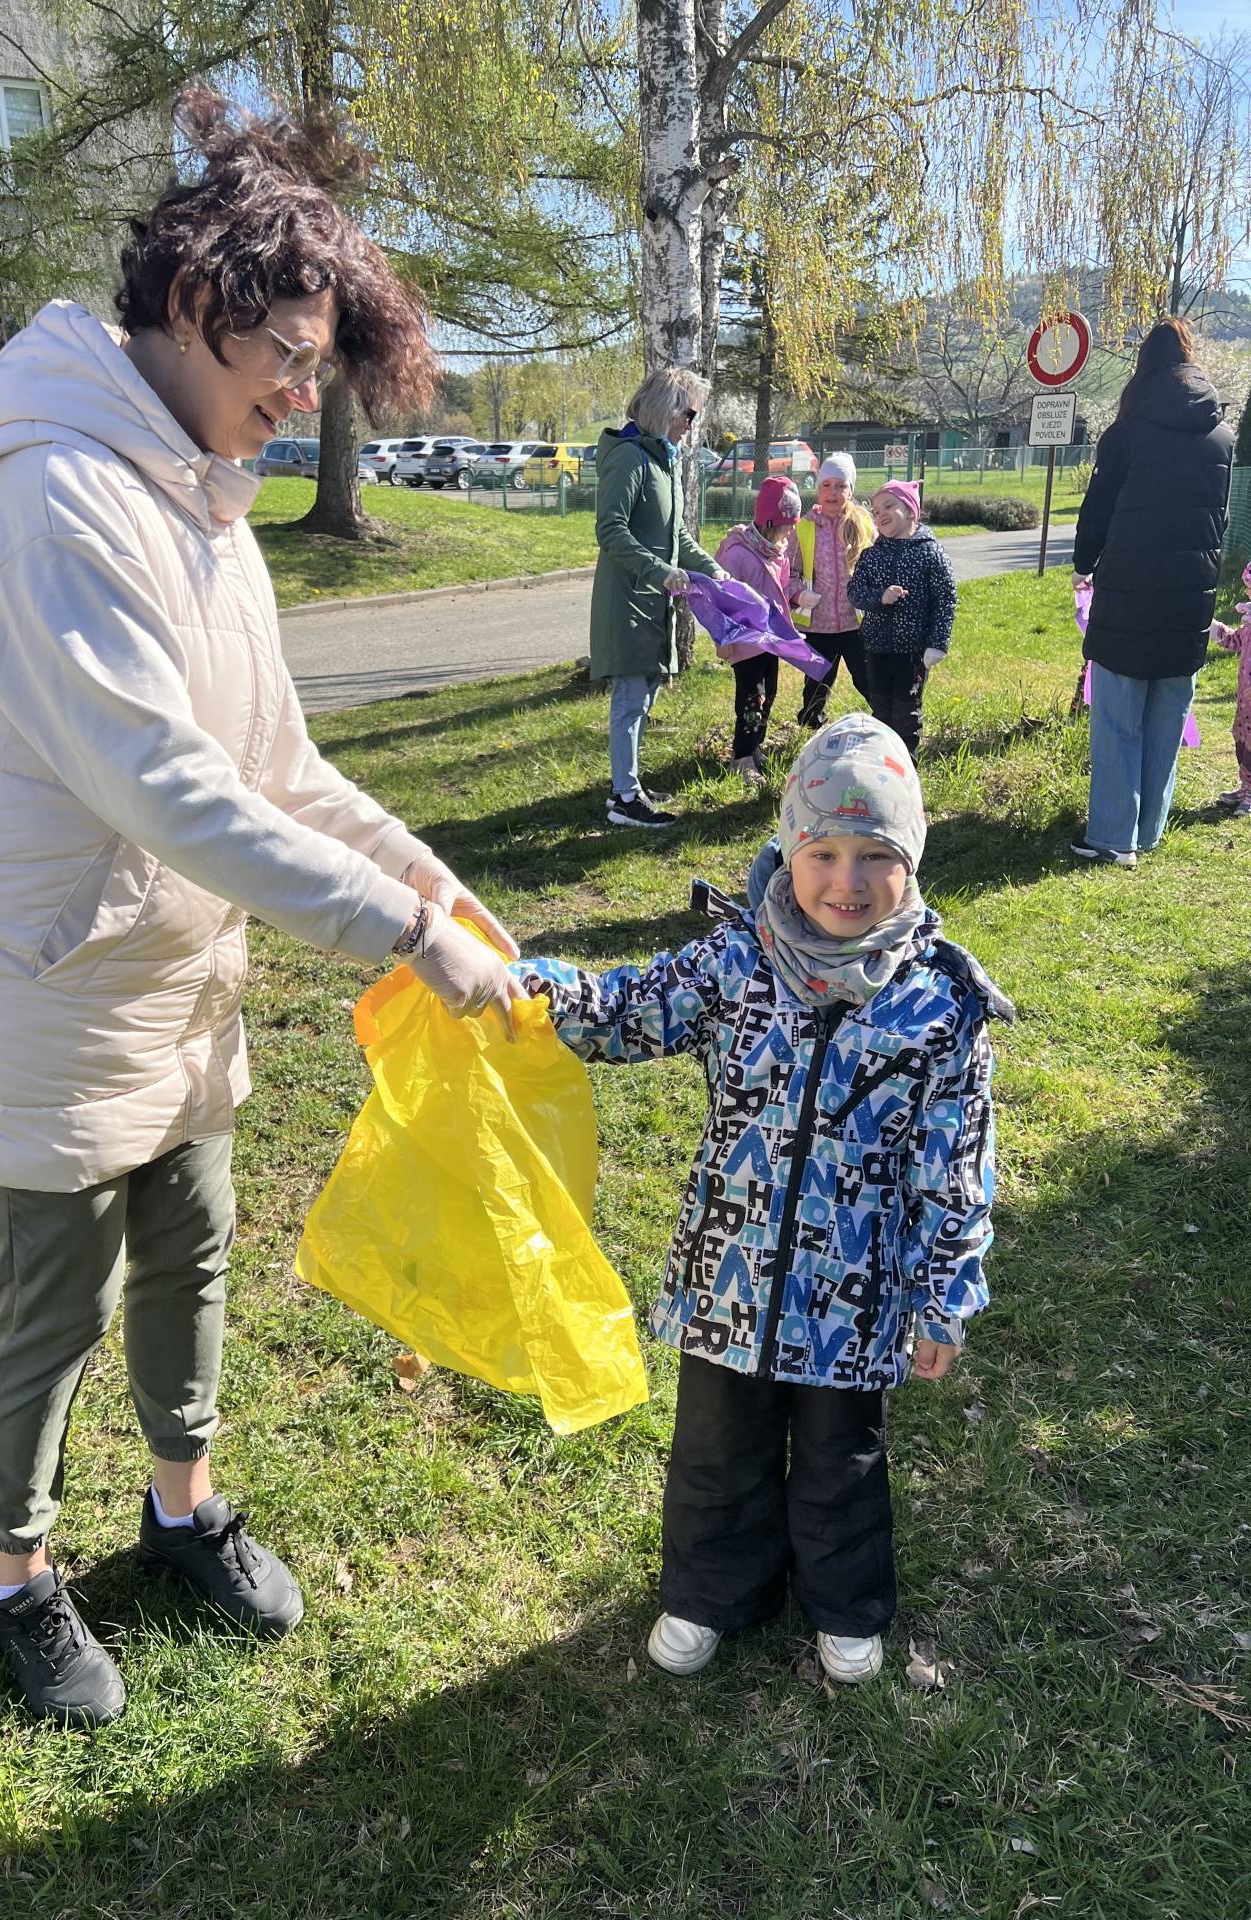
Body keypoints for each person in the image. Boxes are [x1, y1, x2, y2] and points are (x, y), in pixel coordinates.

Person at [0, 90, 525, 1730]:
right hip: (35, 983)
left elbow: (274, 764)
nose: (300, 397)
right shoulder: (48, 494)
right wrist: (402, 937)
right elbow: (164, 784)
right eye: (285, 360)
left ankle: (183, 1510)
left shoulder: (202, 501)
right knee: (54, 1301)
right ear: (186, 307)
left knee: (193, 1249)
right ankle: (17, 1577)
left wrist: (428, 877)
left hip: (165, 977)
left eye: (317, 368)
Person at [514, 716, 1010, 1681]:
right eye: (823, 852)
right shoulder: (733, 963)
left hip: (855, 1293)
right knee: (715, 1448)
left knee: (841, 1458)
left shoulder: (940, 1004)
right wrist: (529, 991)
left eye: (876, 855)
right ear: (788, 849)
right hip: (729, 1274)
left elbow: (956, 1160)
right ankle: (710, 1592)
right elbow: (625, 1009)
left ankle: (845, 1604)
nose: (846, 881)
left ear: (911, 860)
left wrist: (943, 1295)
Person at [1071, 318, 1235, 867]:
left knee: (1118, 717)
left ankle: (1113, 836)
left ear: (1143, 366)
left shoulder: (1126, 433)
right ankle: (1148, 830)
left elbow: (1098, 508)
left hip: (1130, 591)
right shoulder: (1221, 438)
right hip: (1191, 595)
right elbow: (1220, 520)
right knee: (1168, 716)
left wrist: (1083, 565)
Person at [591, 369, 725, 828]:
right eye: (689, 413)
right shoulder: (629, 458)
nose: (691, 424)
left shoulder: (665, 460)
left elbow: (676, 534)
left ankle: (628, 783)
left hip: (654, 600)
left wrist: (711, 568)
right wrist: (660, 571)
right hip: (629, 598)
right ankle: (625, 799)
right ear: (666, 409)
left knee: (643, 695)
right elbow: (611, 530)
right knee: (630, 697)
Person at [847, 481, 956, 761]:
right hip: (876, 648)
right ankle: (883, 764)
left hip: (913, 653)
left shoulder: (930, 553)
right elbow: (855, 592)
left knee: (906, 713)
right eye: (875, 510)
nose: (880, 514)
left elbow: (945, 599)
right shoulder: (871, 555)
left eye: (888, 506)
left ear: (910, 511)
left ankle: (906, 768)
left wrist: (937, 643)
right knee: (881, 711)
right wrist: (880, 597)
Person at [714, 476, 804, 785]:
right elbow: (721, 598)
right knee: (751, 698)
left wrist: (796, 602)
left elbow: (781, 589)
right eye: (787, 525)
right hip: (745, 640)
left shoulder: (777, 551)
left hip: (770, 639)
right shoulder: (736, 553)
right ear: (769, 522)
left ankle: (755, 747)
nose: (790, 531)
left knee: (769, 694)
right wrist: (722, 637)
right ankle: (741, 757)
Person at [787, 452, 876, 728]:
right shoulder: (804, 528)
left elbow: (878, 567)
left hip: (856, 623)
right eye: (826, 485)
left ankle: (887, 720)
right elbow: (788, 572)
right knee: (817, 683)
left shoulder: (863, 525)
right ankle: (811, 724)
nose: (833, 492)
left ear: (850, 490)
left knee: (867, 677)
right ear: (818, 489)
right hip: (819, 624)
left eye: (840, 486)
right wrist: (798, 594)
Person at [1210, 562, 1251, 816]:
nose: (1246, 592)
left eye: (1250, 587)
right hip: (1245, 701)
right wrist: (1214, 628)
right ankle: (1246, 786)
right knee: (1242, 738)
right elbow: (1236, 641)